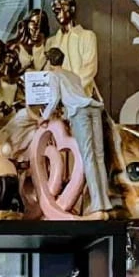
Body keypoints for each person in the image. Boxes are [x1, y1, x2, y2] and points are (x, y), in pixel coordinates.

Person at [40, 45, 110, 215]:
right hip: (94, 108)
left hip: (80, 113)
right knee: (99, 156)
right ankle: (105, 200)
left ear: (50, 62)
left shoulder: (53, 75)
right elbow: (76, 94)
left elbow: (55, 98)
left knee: (88, 157)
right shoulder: (73, 75)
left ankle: (97, 202)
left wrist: (45, 116)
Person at [43, 0, 98, 99]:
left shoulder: (87, 36)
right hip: (57, 97)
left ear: (72, 9)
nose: (57, 13)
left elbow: (90, 69)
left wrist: (71, 89)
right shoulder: (51, 42)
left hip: (81, 96)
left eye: (61, 8)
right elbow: (48, 70)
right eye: (55, 11)